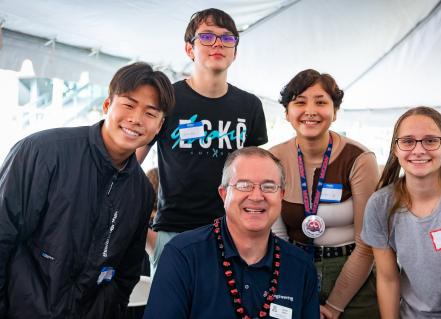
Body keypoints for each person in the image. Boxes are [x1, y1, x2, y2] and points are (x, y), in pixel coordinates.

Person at [0, 62, 175, 319]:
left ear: (159, 126)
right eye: (128, 104)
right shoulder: (43, 152)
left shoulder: (141, 191)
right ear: (107, 105)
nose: (136, 119)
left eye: (150, 113)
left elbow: (126, 273)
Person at [136, 8, 268, 273]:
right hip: (174, 232)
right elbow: (128, 163)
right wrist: (148, 238)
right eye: (206, 37)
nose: (217, 44)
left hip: (233, 233)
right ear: (189, 49)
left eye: (227, 38)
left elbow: (258, 174)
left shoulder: (249, 105)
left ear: (235, 52)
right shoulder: (167, 99)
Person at [143, 147, 320, 319]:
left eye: (268, 186)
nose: (257, 196)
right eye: (244, 185)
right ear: (223, 194)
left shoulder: (301, 268)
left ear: (281, 195)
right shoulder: (183, 255)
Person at [269, 69, 380, 318]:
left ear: (335, 111)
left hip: (352, 270)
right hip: (293, 265)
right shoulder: (273, 158)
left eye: (321, 102)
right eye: (299, 102)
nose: (310, 110)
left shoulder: (360, 158)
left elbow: (367, 244)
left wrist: (333, 307)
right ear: (287, 113)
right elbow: (276, 236)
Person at [361, 106, 441, 318]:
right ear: (395, 149)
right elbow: (388, 279)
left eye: (430, 140)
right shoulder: (380, 204)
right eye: (407, 141)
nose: (418, 150)